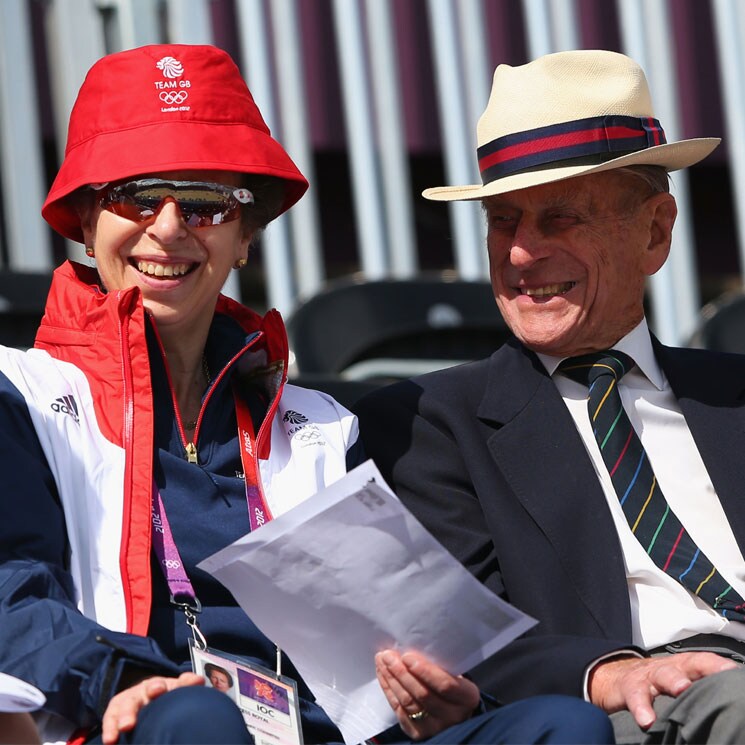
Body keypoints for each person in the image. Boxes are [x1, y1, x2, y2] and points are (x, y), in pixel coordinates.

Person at [0, 44, 613, 745]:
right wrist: (122, 679)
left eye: (203, 204)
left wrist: (437, 696)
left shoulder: (322, 423)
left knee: (562, 725)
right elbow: (9, 598)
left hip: (318, 732)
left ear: (244, 239)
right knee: (200, 719)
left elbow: (393, 640)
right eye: (134, 197)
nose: (167, 227)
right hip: (142, 720)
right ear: (85, 223)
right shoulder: (18, 396)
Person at [354, 48, 745, 745]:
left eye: (559, 218)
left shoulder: (734, 392)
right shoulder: (425, 423)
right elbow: (455, 634)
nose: (520, 254)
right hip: (629, 710)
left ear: (654, 231)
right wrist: (607, 674)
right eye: (502, 221)